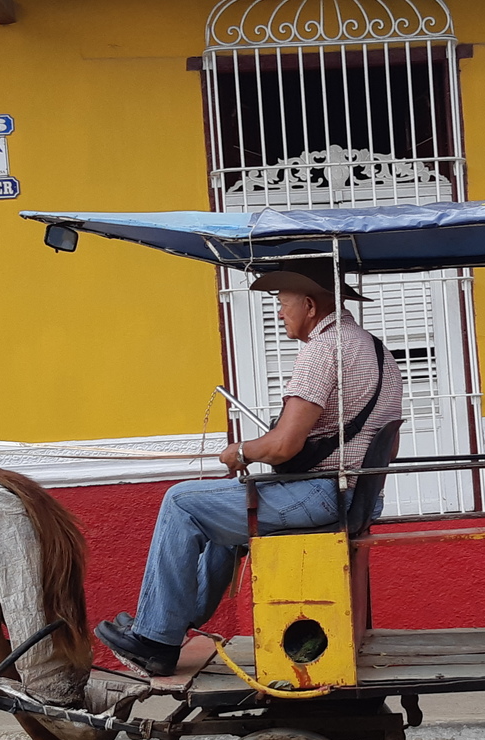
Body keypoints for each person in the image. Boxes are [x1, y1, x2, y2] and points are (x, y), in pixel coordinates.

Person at [95, 259, 404, 677]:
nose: (279, 312)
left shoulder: (323, 349)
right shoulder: (376, 349)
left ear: (310, 306)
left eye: (282, 303)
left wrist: (240, 451)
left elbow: (282, 445)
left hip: (320, 494)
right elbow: (389, 444)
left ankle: (155, 640)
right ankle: (167, 626)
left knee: (181, 501)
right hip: (350, 494)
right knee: (221, 520)